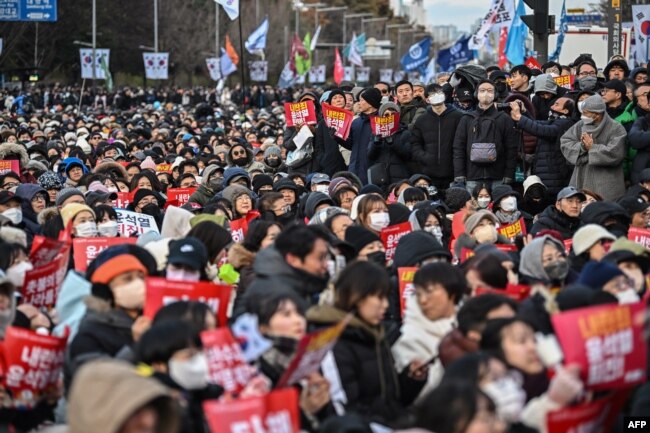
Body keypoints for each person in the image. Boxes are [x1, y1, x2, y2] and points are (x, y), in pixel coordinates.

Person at [306, 261, 426, 425]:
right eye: (379, 297)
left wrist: (411, 379)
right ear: (357, 296)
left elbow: (389, 401)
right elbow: (343, 412)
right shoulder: (331, 341)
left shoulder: (375, 334)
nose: (386, 305)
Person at [392, 263, 464, 400]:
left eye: (430, 291)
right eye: (418, 294)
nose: (423, 300)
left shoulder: (468, 328)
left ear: (452, 293)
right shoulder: (406, 338)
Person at [233, 223, 331, 317]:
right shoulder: (273, 293)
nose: (326, 264)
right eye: (320, 257)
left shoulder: (296, 282)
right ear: (293, 260)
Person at [453, 80, 518, 192]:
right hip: (472, 176)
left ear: (495, 94)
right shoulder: (467, 118)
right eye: (482, 90)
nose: (486, 94)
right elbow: (458, 147)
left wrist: (509, 174)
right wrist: (459, 173)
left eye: (490, 91)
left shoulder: (504, 118)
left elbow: (511, 149)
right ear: (476, 94)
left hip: (498, 176)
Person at [560, 95, 627, 201]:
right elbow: (565, 141)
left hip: (606, 180)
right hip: (582, 175)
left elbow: (616, 153)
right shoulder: (580, 125)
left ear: (597, 115)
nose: (582, 116)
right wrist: (582, 147)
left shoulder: (616, 128)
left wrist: (592, 147)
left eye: (585, 113)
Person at [510, 96, 575, 199]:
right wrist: (524, 112)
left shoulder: (566, 123)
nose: (552, 106)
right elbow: (536, 124)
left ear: (566, 111)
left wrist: (519, 117)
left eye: (557, 105)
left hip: (554, 177)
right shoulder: (554, 121)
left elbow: (543, 130)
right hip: (547, 175)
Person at [410, 84, 464, 192]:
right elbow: (415, 144)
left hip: (453, 172)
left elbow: (464, 141)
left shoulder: (458, 116)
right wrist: (425, 157)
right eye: (432, 95)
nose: (436, 97)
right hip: (429, 173)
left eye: (439, 93)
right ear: (427, 99)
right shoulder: (422, 120)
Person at [341, 88, 382, 184]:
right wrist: (337, 137)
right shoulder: (356, 122)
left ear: (370, 103)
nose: (359, 103)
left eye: (362, 100)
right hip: (354, 169)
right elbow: (351, 145)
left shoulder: (380, 121)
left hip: (373, 170)